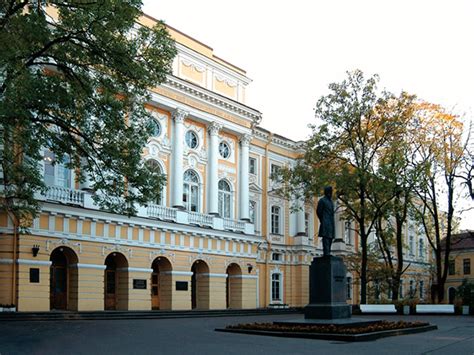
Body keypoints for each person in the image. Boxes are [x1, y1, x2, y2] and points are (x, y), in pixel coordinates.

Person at [316, 186, 335, 256]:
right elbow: (318, 211)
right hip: (325, 221)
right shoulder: (322, 200)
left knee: (330, 237)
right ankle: (326, 252)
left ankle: (328, 252)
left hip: (331, 222)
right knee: (326, 237)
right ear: (327, 192)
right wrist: (323, 220)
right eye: (330, 192)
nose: (331, 194)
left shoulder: (331, 202)